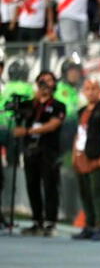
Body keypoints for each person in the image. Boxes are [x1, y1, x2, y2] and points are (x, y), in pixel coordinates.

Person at [16, 71, 66, 237]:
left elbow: (53, 125)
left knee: (50, 185)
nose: (46, 83)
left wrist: (27, 130)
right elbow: (15, 113)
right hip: (30, 150)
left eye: (49, 80)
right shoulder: (31, 104)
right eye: (42, 81)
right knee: (32, 185)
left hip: (48, 150)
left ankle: (50, 222)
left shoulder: (58, 105)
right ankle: (36, 220)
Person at [71, 79, 100, 241]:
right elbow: (78, 134)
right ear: (84, 91)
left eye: (94, 89)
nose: (91, 92)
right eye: (88, 89)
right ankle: (89, 226)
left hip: (96, 157)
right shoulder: (82, 111)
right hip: (82, 157)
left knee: (98, 193)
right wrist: (74, 155)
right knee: (85, 193)